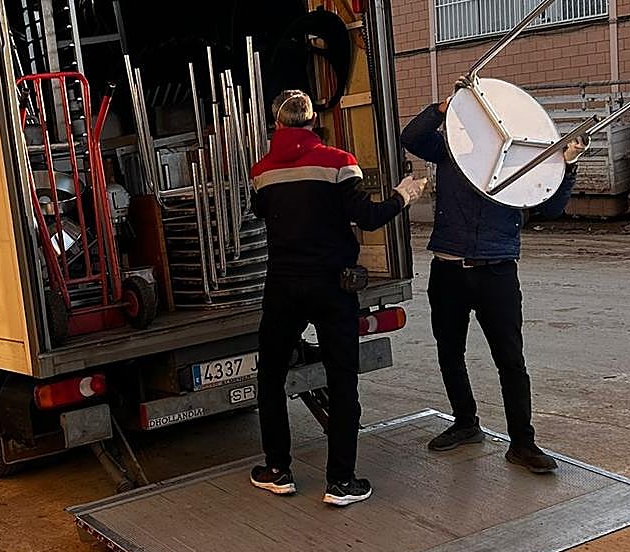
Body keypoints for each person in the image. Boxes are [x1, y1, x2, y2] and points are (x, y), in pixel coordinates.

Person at [249, 90, 427, 506]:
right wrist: (403, 196)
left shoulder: (262, 170)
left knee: (271, 377)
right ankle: (341, 482)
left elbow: (260, 212)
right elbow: (367, 217)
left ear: (277, 124)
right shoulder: (339, 162)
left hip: (283, 286)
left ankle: (277, 470)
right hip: (332, 285)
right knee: (342, 379)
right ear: (314, 122)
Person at [400, 90, 585, 474]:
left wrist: (567, 166)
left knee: (510, 360)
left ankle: (523, 443)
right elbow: (411, 137)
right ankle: (465, 422)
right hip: (448, 268)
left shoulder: (520, 159)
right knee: (450, 352)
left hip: (497, 269)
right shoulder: (454, 149)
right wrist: (441, 109)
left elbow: (550, 207)